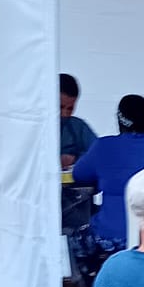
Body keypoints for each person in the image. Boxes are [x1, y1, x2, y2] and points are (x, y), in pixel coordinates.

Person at [68, 95, 144, 287]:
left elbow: (79, 174)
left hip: (111, 237)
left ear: (120, 119)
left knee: (77, 233)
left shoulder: (104, 147)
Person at [59, 74, 98, 236]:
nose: (65, 114)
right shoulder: (29, 125)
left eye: (70, 108)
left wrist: (76, 159)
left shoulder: (77, 127)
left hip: (75, 198)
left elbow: (97, 154)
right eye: (60, 107)